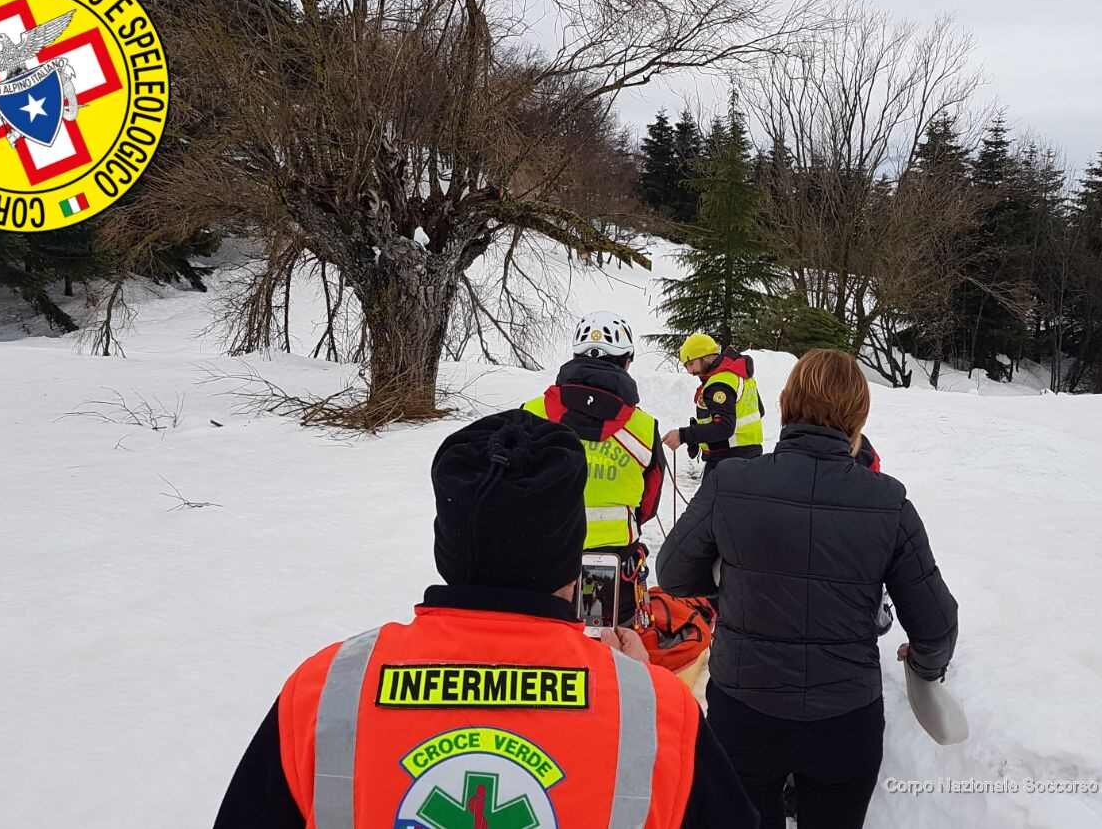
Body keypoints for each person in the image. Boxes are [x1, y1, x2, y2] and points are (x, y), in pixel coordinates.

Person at [214, 410, 758, 829]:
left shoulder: (324, 690)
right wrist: (638, 687)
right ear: (573, 553)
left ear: (444, 546)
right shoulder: (658, 714)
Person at [657, 349, 959, 829]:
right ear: (858, 418)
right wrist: (926, 665)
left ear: (784, 404)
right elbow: (937, 623)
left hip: (744, 708)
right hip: (846, 718)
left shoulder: (732, 483)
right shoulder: (888, 502)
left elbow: (673, 572)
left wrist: (729, 594)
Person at [524, 311, 664, 627]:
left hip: (540, 559)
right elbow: (650, 500)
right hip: (610, 562)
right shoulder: (643, 428)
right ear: (627, 361)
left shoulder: (531, 414)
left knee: (541, 648)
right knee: (603, 650)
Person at [661, 333, 764, 476]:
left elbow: (724, 427)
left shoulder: (719, 384)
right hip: (750, 457)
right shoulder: (738, 375)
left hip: (728, 462)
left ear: (705, 357)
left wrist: (683, 435)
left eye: (691, 364)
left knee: (703, 499)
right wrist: (700, 435)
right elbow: (759, 411)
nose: (690, 371)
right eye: (686, 366)